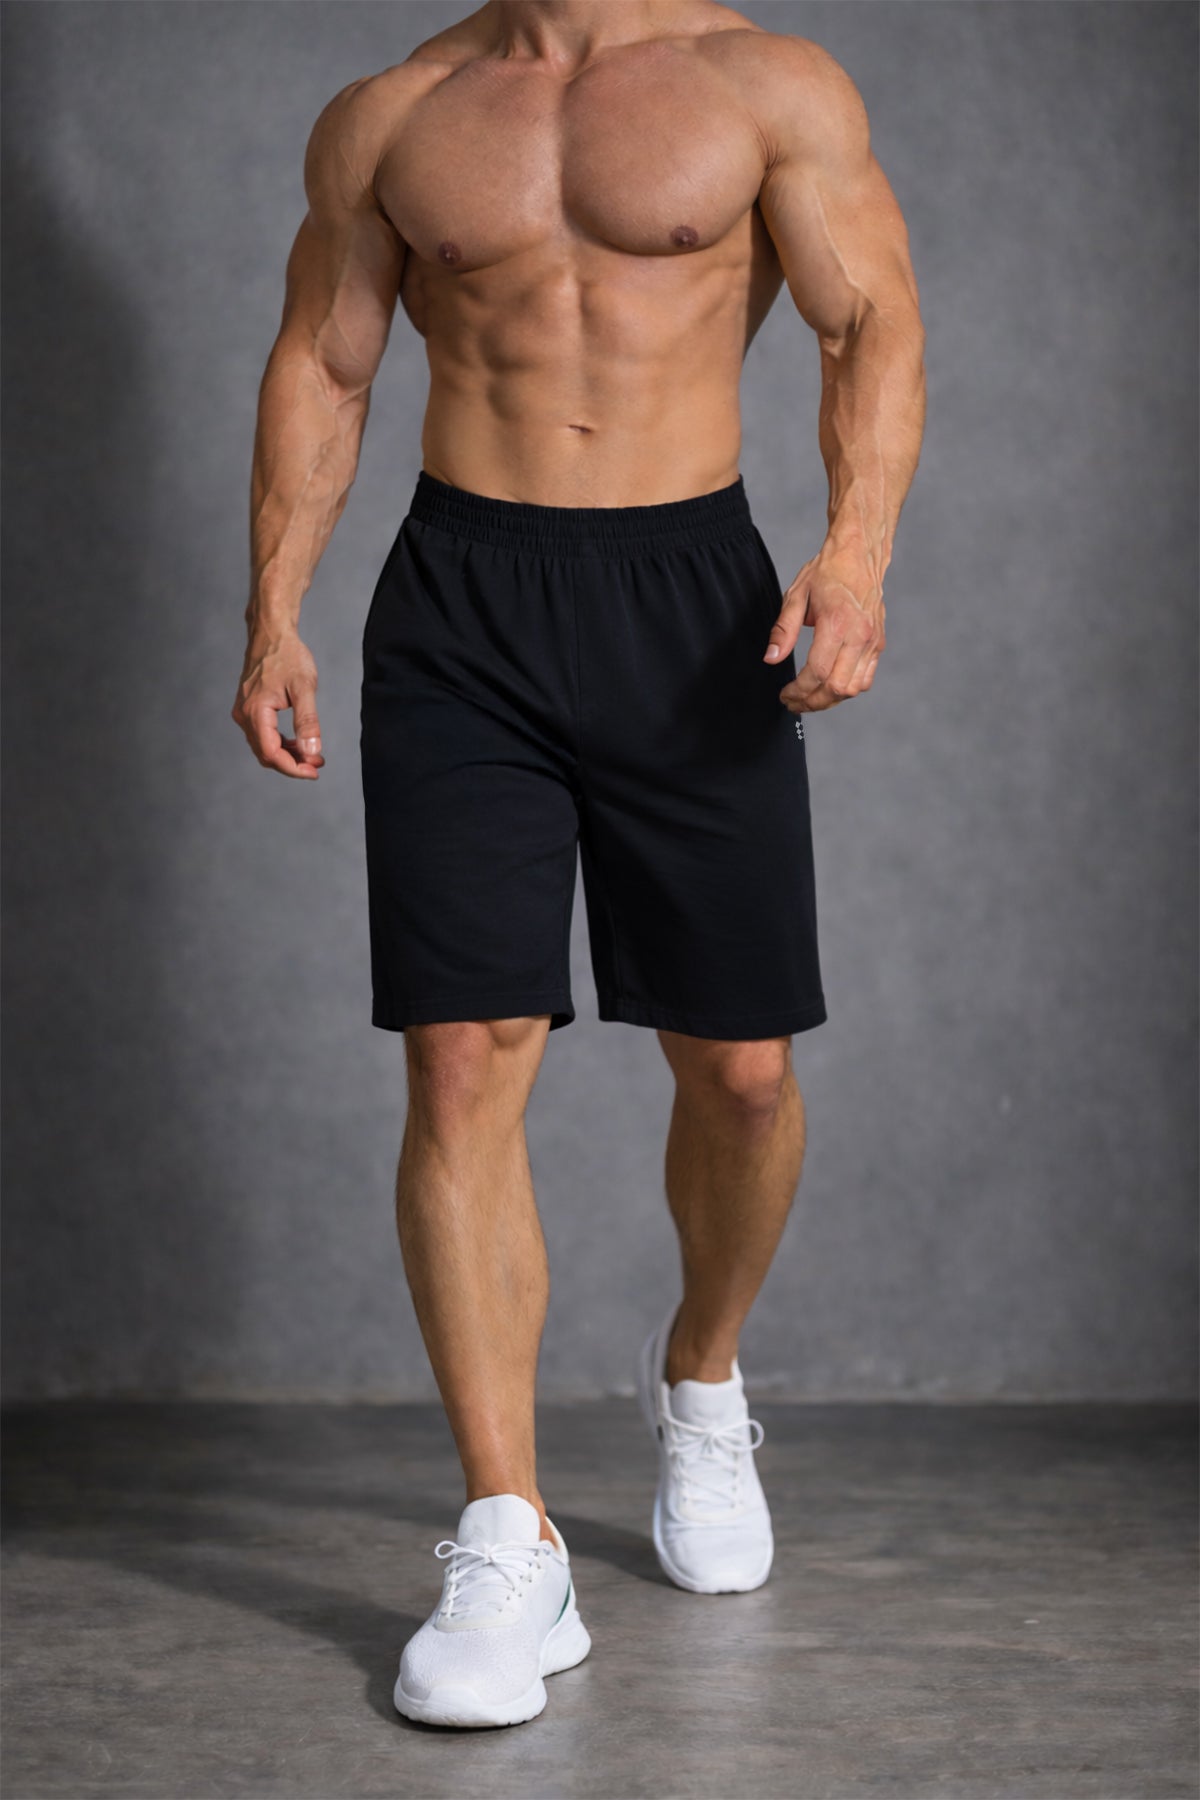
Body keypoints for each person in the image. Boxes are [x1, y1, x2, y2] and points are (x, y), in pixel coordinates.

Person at [232, 0, 926, 1731]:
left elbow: (869, 320)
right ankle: (506, 1532)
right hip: (461, 612)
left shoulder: (761, 83)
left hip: (692, 603)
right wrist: (272, 613)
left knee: (743, 1073)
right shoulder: (398, 109)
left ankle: (701, 1377)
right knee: (462, 1057)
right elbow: (326, 357)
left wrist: (854, 556)